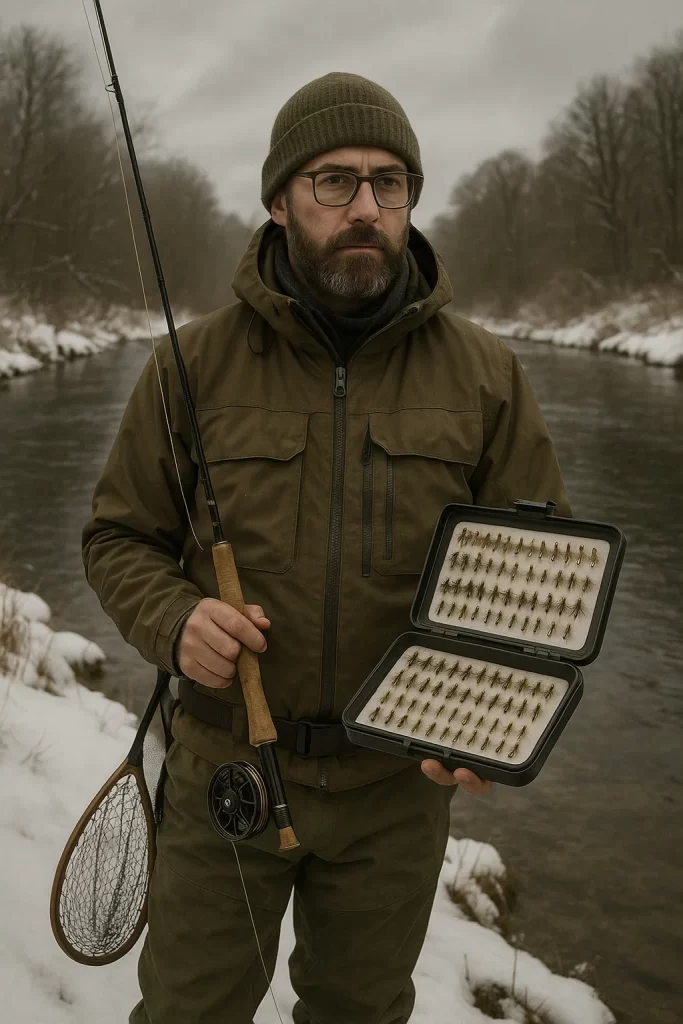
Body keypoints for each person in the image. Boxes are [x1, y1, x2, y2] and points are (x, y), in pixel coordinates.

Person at [82, 72, 572, 1024]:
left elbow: (535, 576)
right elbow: (117, 535)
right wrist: (176, 619)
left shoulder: (486, 374)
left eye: (389, 183)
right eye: (333, 182)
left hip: (397, 795)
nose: (364, 208)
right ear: (278, 200)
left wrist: (490, 717)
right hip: (224, 774)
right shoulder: (191, 366)